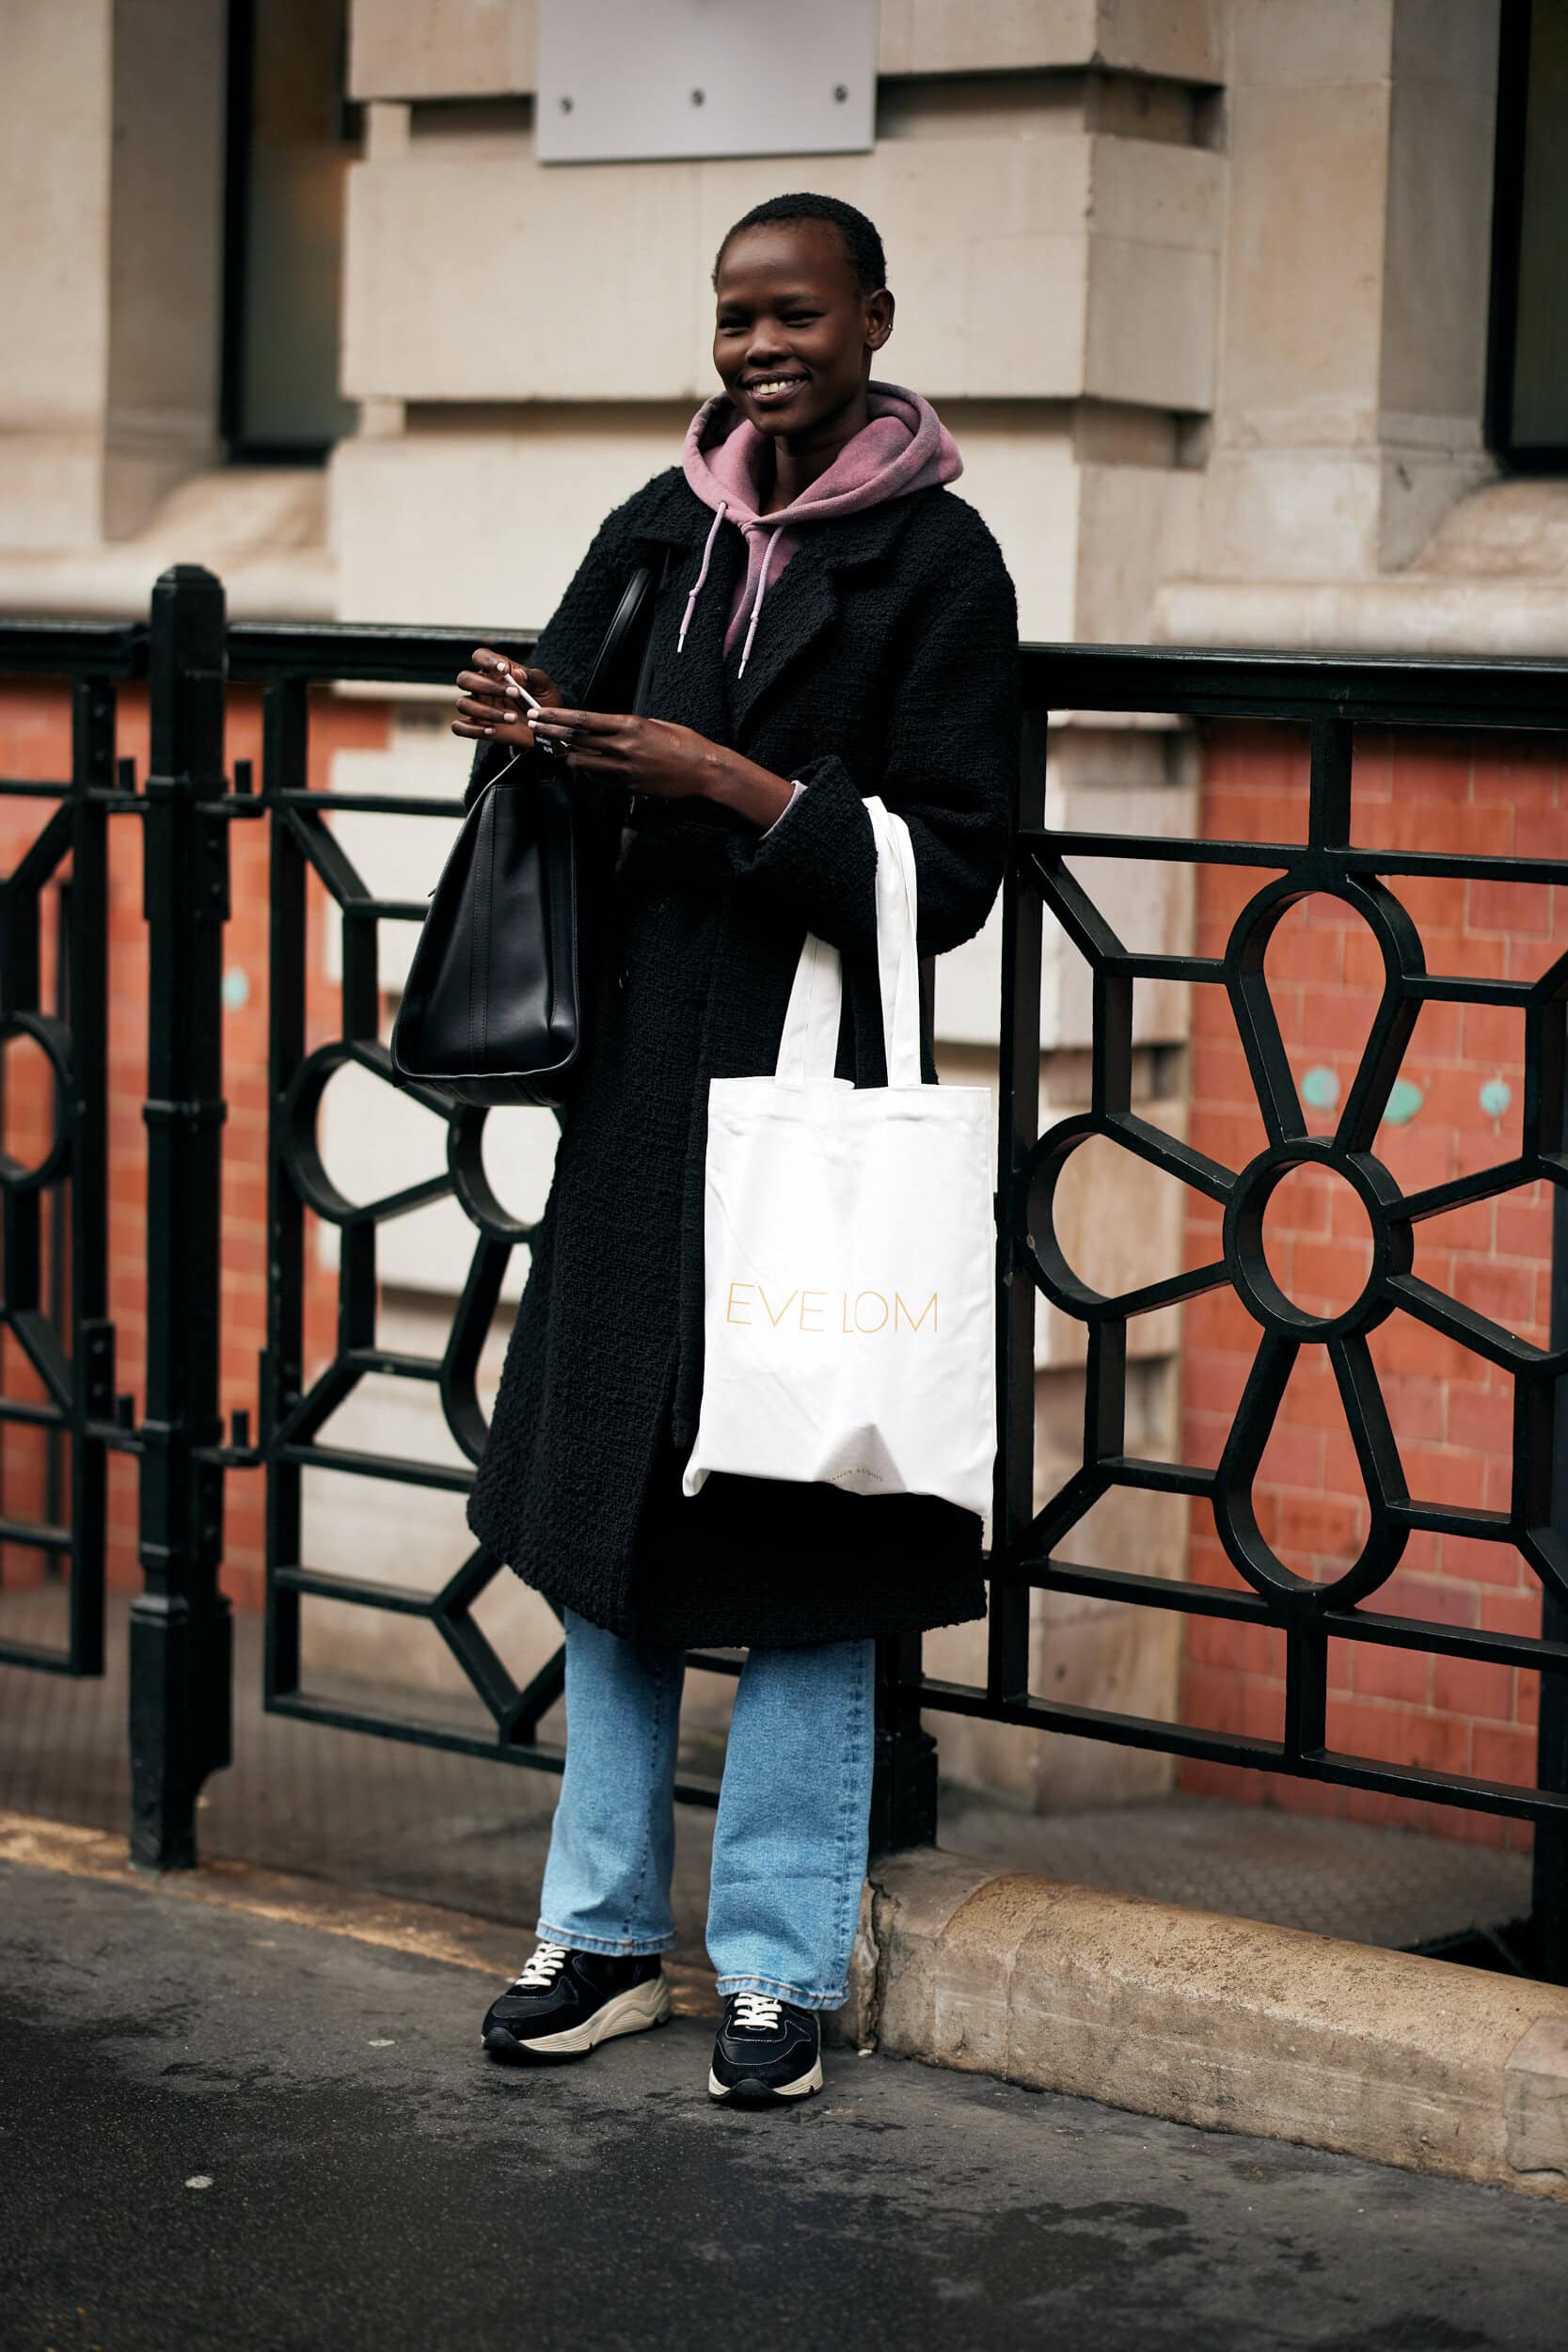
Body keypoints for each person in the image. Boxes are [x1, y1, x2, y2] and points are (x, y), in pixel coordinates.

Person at [450, 192, 1020, 2106]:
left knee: (802, 1530)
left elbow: (958, 871)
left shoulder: (941, 563)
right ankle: (601, 1935)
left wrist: (743, 788)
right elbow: (553, 752)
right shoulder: (658, 525)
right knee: (607, 1525)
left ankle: (777, 1968)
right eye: (734, 316)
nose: (762, 346)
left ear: (874, 318)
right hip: (635, 1099)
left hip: (812, 1103)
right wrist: (513, 724)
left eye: (797, 313)